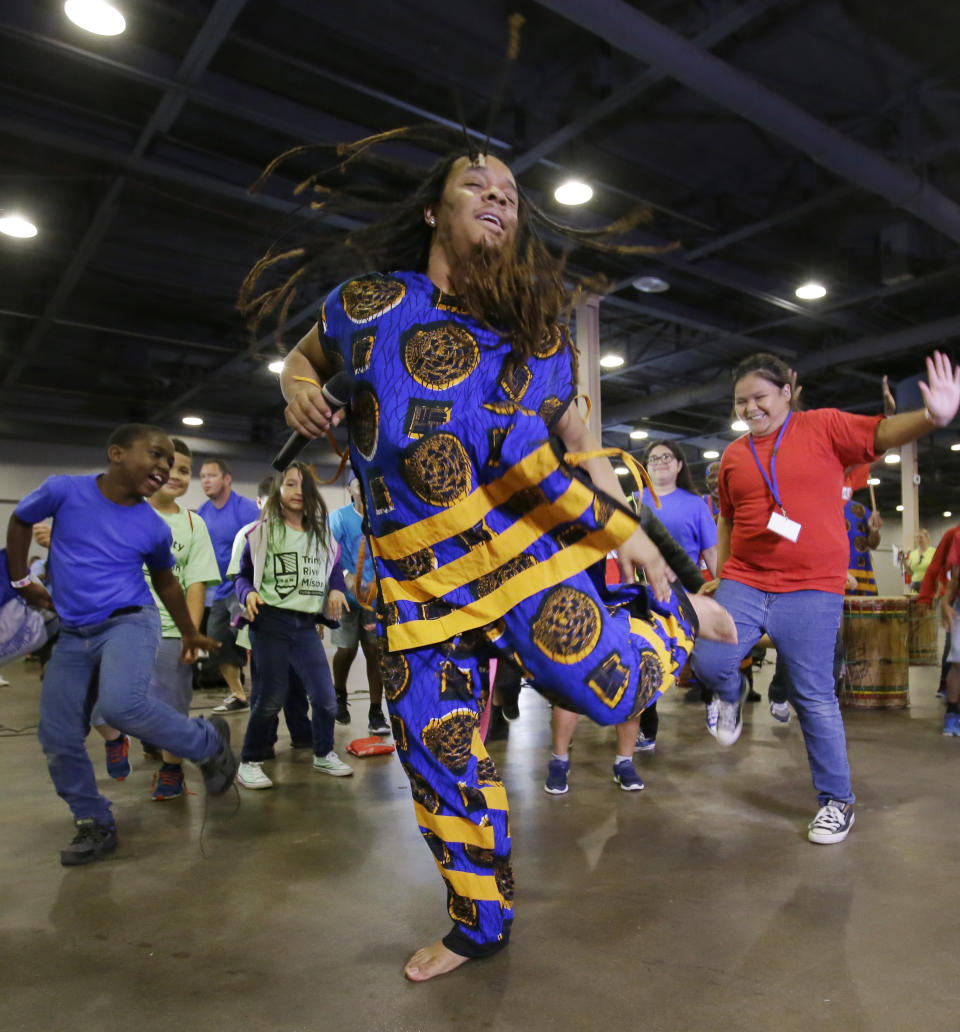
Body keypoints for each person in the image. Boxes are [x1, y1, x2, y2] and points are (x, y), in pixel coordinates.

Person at [245, 140, 736, 980]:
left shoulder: (541, 337)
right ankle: (479, 924)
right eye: (476, 185)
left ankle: (684, 625)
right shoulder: (366, 305)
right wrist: (295, 384)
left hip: (523, 558)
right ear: (435, 212)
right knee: (438, 762)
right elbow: (303, 362)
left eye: (510, 192)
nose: (498, 197)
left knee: (604, 685)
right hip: (415, 580)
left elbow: (571, 457)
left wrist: (643, 542)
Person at [691, 351, 960, 845]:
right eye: (741, 402)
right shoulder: (733, 455)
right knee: (708, 659)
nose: (750, 409)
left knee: (814, 697)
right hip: (746, 580)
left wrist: (931, 417)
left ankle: (837, 802)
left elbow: (878, 434)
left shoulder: (823, 427)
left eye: (760, 398)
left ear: (786, 394)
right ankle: (728, 697)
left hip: (812, 586)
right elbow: (727, 517)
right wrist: (722, 572)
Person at [5, 424, 237, 865]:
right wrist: (21, 579)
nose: (164, 466)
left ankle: (207, 745)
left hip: (130, 622)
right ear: (116, 453)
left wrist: (189, 630)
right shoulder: (64, 491)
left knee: (121, 705)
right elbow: (20, 520)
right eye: (155, 455)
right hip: (73, 632)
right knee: (57, 734)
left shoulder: (151, 526)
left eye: (169, 461)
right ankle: (93, 819)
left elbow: (167, 581)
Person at [233, 462, 354, 790]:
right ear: (278, 490)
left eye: (303, 485)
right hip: (270, 621)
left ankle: (323, 752)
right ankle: (250, 760)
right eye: (289, 484)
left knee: (326, 697)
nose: (297, 491)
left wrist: (336, 590)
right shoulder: (263, 532)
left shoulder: (321, 534)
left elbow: (333, 569)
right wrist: (250, 593)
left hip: (304, 626)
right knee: (271, 697)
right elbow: (242, 575)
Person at [140, 438, 222, 800]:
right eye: (169, 466)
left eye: (184, 470)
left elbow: (196, 584)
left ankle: (172, 769)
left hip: (171, 631)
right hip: (125, 627)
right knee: (104, 705)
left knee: (172, 706)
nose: (175, 475)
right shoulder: (127, 513)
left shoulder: (193, 524)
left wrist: (190, 634)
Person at [197, 458, 260, 711]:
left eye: (211, 475)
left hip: (242, 588)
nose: (205, 481)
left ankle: (265, 692)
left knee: (250, 641)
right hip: (216, 592)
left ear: (227, 479)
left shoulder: (245, 509)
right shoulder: (202, 512)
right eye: (202, 477)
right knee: (217, 643)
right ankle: (238, 694)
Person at [328, 475, 388, 733]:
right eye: (357, 484)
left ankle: (376, 712)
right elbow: (329, 551)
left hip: (377, 598)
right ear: (349, 490)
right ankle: (339, 696)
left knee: (375, 652)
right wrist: (345, 577)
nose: (363, 489)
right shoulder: (340, 518)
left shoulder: (383, 516)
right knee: (347, 650)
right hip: (347, 596)